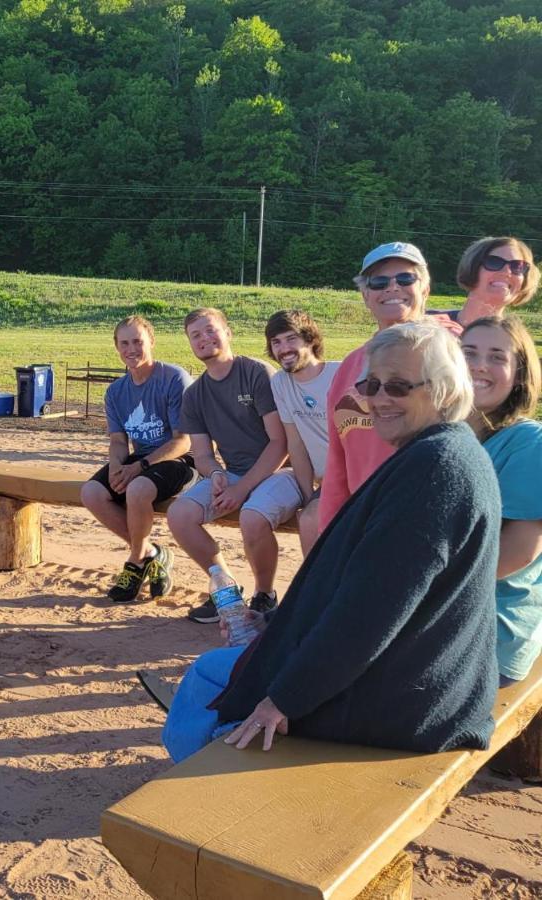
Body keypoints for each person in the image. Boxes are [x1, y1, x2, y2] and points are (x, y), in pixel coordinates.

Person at [160, 322, 499, 763]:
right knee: (212, 671)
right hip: (419, 675)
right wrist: (278, 629)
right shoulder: (438, 452)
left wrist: (282, 700)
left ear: (445, 389)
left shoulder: (434, 472)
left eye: (398, 386)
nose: (378, 398)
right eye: (371, 384)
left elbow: (370, 616)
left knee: (221, 712)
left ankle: (194, 796)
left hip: (404, 701)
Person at [318, 242, 460, 532]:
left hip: (430, 522)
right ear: (366, 295)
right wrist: (330, 533)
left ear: (426, 289)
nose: (392, 287)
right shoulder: (349, 367)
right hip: (365, 522)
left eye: (406, 278)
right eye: (379, 282)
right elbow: (337, 461)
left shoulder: (450, 353)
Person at [167, 308, 298, 624]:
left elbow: (279, 444)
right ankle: (226, 590)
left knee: (252, 517)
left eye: (210, 330)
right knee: (179, 514)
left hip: (282, 469)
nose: (204, 339)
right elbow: (202, 453)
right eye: (195, 335)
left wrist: (242, 488)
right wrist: (214, 475)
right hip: (235, 472)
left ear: (228, 333)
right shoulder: (195, 394)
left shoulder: (255, 373)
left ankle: (265, 595)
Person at [81, 315, 195, 603]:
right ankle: (152, 553)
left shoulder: (173, 378)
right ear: (117, 348)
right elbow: (119, 441)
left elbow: (184, 440)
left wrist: (140, 467)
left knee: (137, 488)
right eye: (124, 343)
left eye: (138, 341)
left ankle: (135, 561)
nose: (132, 349)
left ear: (151, 342)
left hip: (179, 460)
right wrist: (119, 466)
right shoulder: (116, 392)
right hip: (139, 460)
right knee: (92, 492)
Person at [461, 315, 542, 687]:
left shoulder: (528, 442)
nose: (479, 365)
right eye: (469, 353)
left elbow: (517, 553)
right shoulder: (450, 435)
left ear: (519, 375)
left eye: (497, 357)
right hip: (445, 618)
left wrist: (417, 594)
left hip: (491, 635)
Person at [264, 310, 339, 555]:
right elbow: (295, 444)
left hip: (357, 479)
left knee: (311, 521)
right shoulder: (280, 383)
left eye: (291, 339)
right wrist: (308, 497)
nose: (284, 349)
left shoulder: (340, 375)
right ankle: (316, 590)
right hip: (325, 484)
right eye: (276, 342)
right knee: (308, 519)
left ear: (310, 339)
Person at [434, 236, 537, 326]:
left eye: (517, 266)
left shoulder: (516, 343)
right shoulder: (428, 325)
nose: (506, 272)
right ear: (472, 268)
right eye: (494, 262)